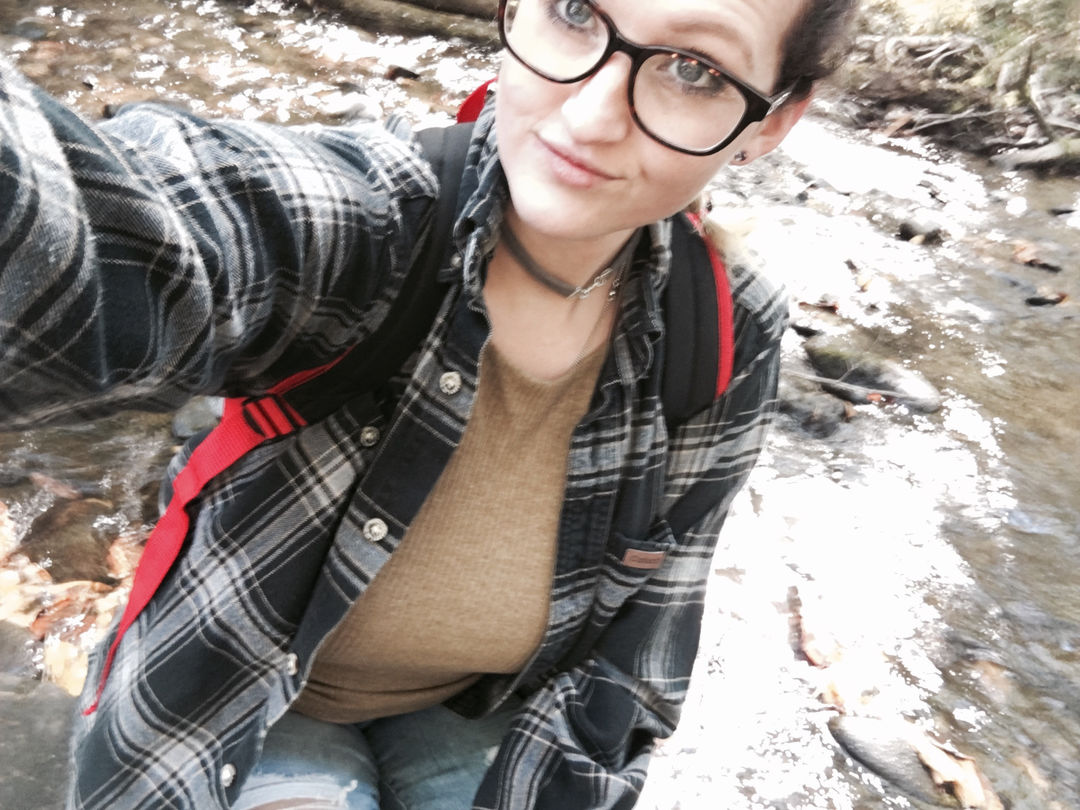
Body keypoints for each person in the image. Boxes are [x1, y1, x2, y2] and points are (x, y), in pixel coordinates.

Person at [0, 0, 855, 806]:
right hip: (231, 699)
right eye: (573, 11)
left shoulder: (726, 324)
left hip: (476, 709)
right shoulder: (375, 220)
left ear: (773, 121)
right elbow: (123, 234)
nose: (591, 114)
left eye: (695, 70)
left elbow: (638, 653)